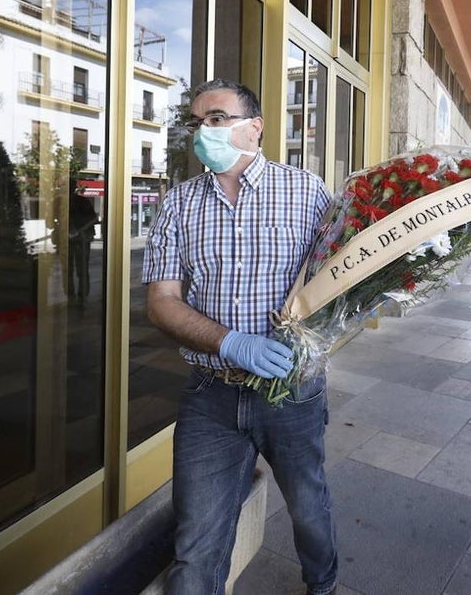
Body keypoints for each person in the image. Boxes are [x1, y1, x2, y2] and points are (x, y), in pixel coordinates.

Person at [142, 78, 338, 595]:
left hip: (292, 389)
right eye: (195, 121)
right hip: (210, 393)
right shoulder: (178, 204)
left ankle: (323, 582)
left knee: (308, 507)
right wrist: (232, 342)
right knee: (195, 541)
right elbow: (161, 302)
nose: (203, 130)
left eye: (216, 118)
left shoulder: (307, 191)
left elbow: (342, 281)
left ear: (255, 127)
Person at [66, 187, 98, 302]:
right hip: (70, 239)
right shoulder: (60, 201)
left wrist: (79, 230)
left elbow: (93, 219)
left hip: (82, 239)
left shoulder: (83, 202)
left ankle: (81, 296)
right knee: (70, 269)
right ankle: (73, 295)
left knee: (81, 269)